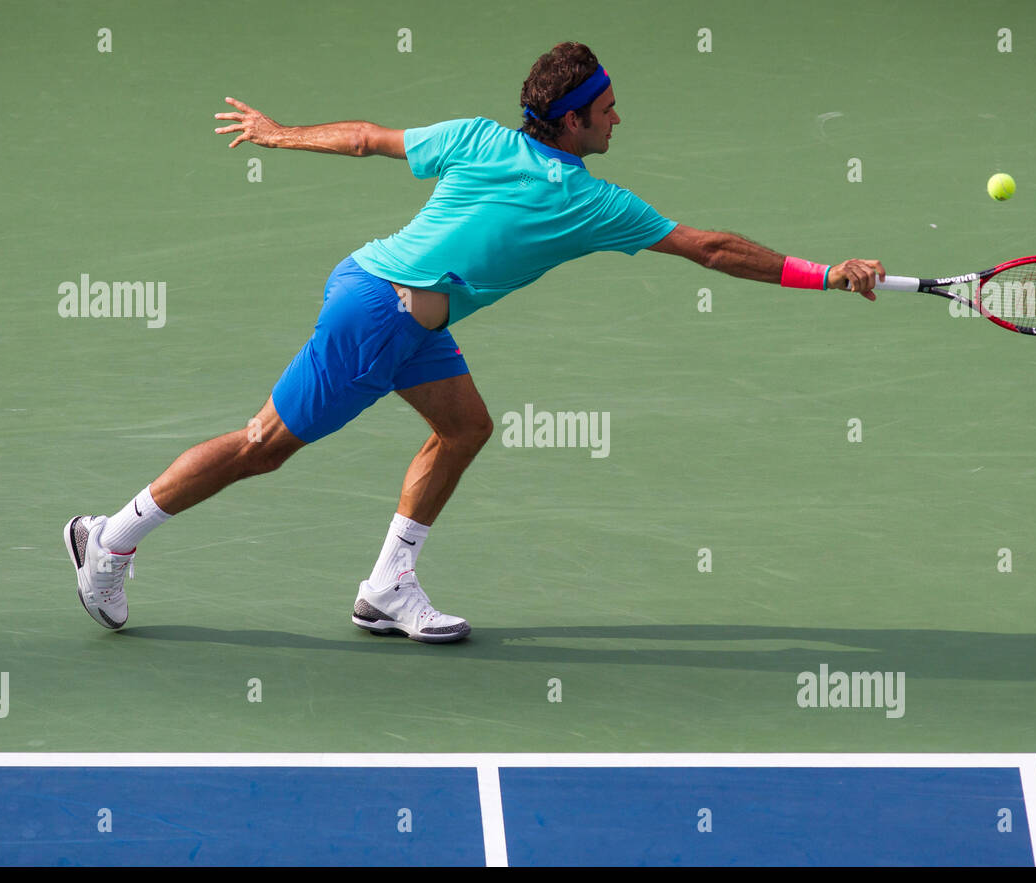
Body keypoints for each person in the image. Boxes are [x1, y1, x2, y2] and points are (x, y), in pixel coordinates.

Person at [64, 41, 884, 643]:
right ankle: (108, 540)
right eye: (606, 110)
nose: (617, 119)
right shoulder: (592, 206)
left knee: (463, 429)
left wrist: (282, 133)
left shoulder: (479, 137)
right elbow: (711, 249)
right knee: (263, 446)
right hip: (379, 315)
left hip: (395, 300)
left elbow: (365, 138)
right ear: (571, 121)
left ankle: (388, 585)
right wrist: (825, 274)